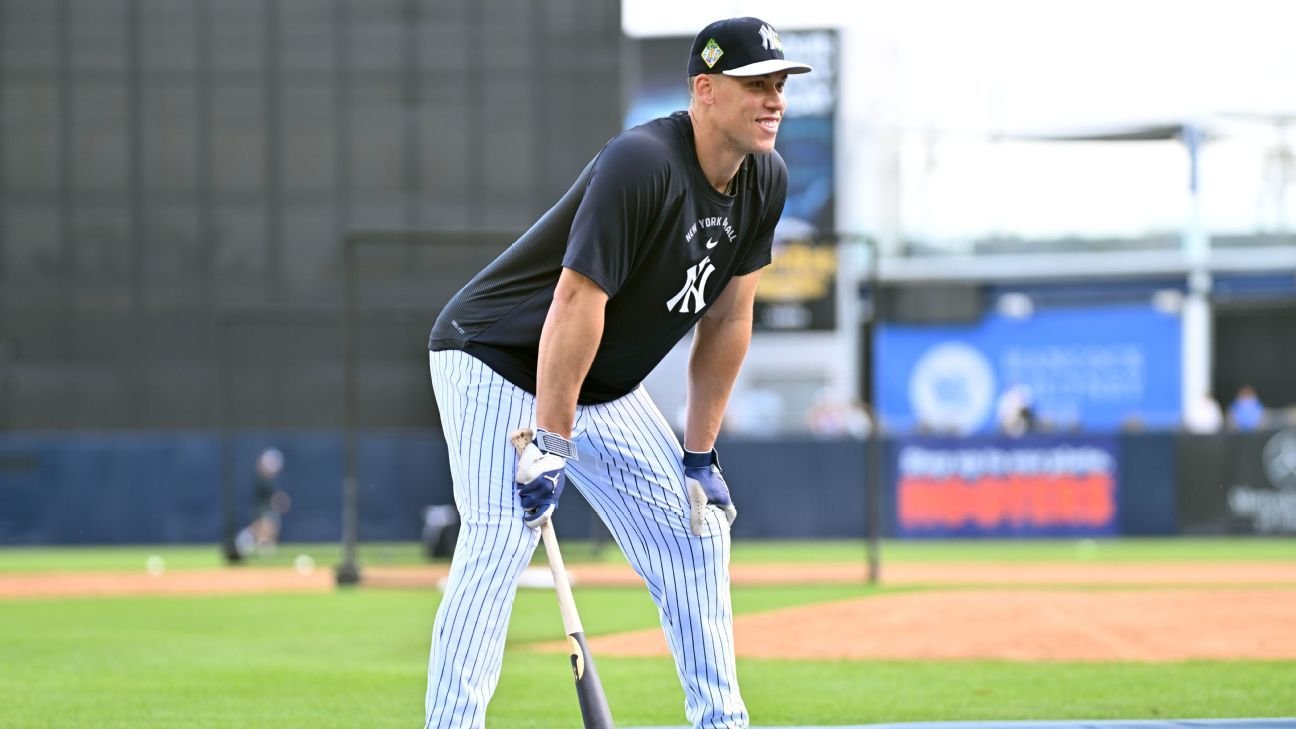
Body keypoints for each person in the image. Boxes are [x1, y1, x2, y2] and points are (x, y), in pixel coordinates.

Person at [423, 17, 811, 728]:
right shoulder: (643, 162)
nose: (775, 99)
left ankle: (720, 719)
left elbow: (728, 321)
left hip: (598, 381)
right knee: (499, 540)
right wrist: (550, 437)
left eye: (779, 85)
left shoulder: (766, 181)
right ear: (704, 91)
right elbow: (575, 301)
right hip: (495, 354)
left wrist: (699, 454)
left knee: (696, 531)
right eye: (756, 83)